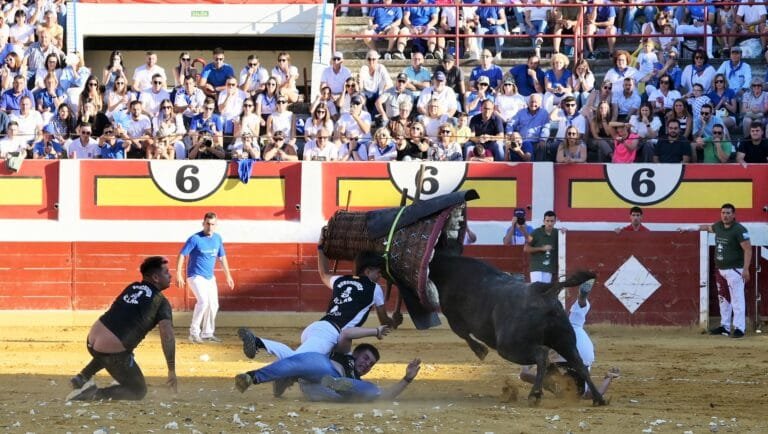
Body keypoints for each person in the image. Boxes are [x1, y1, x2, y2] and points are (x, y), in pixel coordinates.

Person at [238, 245, 395, 363]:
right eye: (378, 272)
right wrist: (394, 321)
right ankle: (258, 342)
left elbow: (323, 273)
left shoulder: (341, 280)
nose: (380, 276)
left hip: (321, 330)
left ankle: (288, 379)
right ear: (367, 271)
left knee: (327, 366)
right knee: (298, 359)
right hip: (329, 334)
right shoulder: (375, 288)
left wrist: (321, 247)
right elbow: (384, 320)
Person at [66, 256, 177, 401]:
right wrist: (171, 369)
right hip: (111, 353)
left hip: (92, 340)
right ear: (156, 277)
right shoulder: (161, 302)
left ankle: (83, 376)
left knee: (119, 346)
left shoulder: (132, 287)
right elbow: (167, 335)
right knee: (138, 390)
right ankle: (92, 394)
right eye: (166, 272)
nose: (170, 275)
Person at [234, 332, 421, 402]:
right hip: (323, 371)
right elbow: (347, 333)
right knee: (300, 362)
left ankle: (336, 386)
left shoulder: (358, 380)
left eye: (370, 364)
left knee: (370, 388)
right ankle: (252, 377)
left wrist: (407, 378)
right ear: (355, 354)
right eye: (365, 358)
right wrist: (375, 331)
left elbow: (385, 396)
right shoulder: (344, 354)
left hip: (325, 390)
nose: (366, 364)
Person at [519, 279, 620, 399]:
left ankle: (581, 300)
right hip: (564, 352)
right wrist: (528, 360)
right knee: (544, 341)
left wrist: (609, 377)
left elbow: (597, 393)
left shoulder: (583, 393)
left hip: (582, 354)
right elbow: (525, 374)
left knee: (575, 324)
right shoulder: (552, 385)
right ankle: (537, 301)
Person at [680, 204, 751, 338]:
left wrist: (746, 269)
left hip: (735, 269)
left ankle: (739, 328)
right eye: (723, 213)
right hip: (721, 270)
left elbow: (748, 249)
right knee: (723, 299)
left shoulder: (739, 230)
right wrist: (689, 228)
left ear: (734, 215)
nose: (725, 215)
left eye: (728, 213)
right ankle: (725, 326)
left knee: (737, 299)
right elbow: (706, 227)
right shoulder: (718, 226)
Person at [176, 212, 235, 344]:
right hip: (195, 276)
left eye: (212, 224)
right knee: (203, 302)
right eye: (207, 224)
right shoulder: (195, 238)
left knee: (213, 304)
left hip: (209, 277)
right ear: (203, 224)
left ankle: (207, 333)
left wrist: (228, 275)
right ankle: (194, 333)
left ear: (216, 225)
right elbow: (182, 255)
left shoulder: (217, 238)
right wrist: (178, 273)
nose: (210, 226)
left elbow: (222, 257)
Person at [524, 210, 559, 283]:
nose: (549, 223)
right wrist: (541, 248)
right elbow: (526, 248)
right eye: (547, 221)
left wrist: (564, 231)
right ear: (544, 221)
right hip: (537, 268)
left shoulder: (557, 233)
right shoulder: (536, 232)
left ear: (555, 221)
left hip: (549, 269)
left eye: (552, 221)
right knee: (536, 291)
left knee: (544, 292)